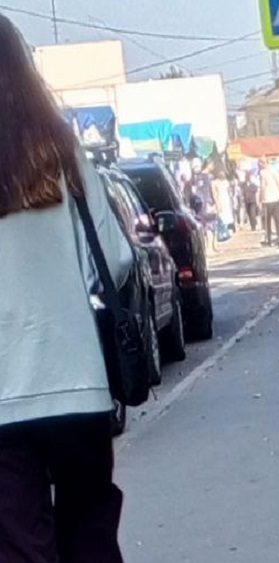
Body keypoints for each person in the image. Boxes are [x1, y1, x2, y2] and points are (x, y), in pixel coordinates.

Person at [0, 14, 133, 561]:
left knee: (22, 549)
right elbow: (117, 259)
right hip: (78, 382)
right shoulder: (62, 152)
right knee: (90, 537)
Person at [258, 158, 279, 248]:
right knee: (278, 219)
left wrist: (260, 198)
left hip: (267, 198)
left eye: (260, 162)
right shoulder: (275, 171)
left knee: (267, 221)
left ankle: (269, 240)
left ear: (264, 163)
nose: (259, 164)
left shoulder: (263, 173)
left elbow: (262, 186)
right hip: (276, 197)